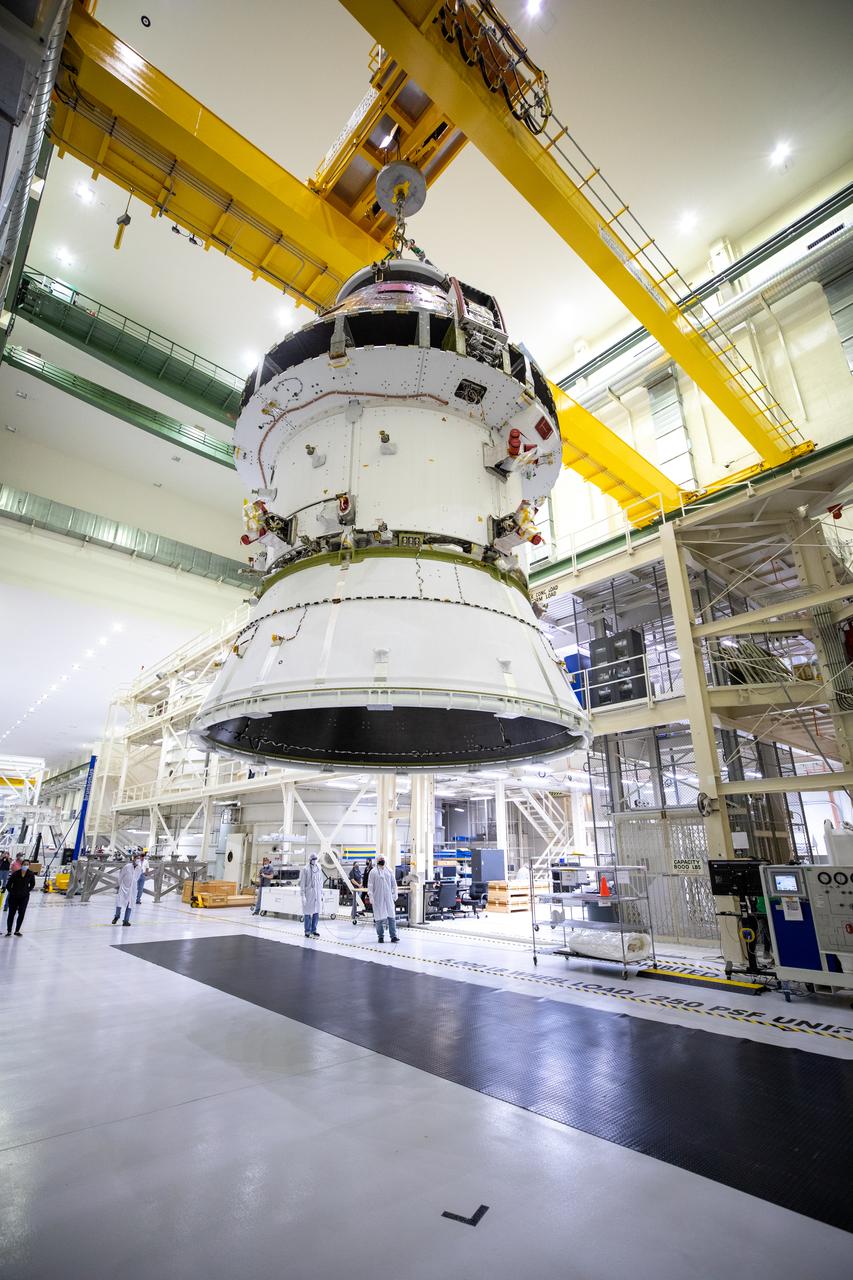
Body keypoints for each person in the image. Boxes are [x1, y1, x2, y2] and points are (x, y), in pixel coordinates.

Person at [367, 857, 399, 943]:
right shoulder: (373, 872)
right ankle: (380, 937)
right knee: (379, 917)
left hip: (388, 897)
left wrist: (395, 893)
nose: (382, 861)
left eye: (383, 859)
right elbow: (370, 885)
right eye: (380, 859)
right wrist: (371, 896)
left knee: (391, 915)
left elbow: (394, 883)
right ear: (377, 861)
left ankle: (393, 936)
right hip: (378, 898)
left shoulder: (389, 871)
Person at [5, 859, 35, 936]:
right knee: (11, 914)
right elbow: (8, 885)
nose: (25, 866)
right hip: (14, 897)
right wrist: (12, 892)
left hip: (24, 897)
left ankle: (17, 931)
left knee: (21, 913)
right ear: (21, 865)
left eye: (27, 864)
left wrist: (27, 891)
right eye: (24, 864)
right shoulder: (15, 873)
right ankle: (9, 931)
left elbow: (32, 884)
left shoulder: (31, 874)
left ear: (29, 865)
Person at [298, 853, 323, 939]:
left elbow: (321, 880)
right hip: (308, 893)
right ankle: (307, 931)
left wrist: (321, 892)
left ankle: (314, 930)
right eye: (313, 859)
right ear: (310, 860)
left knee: (316, 911)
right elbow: (302, 883)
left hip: (317, 893)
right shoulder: (305, 869)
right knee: (307, 912)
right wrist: (303, 896)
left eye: (316, 859)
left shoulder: (319, 867)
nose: (315, 860)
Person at [112, 854, 138, 927]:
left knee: (130, 904)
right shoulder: (127, 867)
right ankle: (116, 916)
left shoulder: (139, 868)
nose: (137, 861)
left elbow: (137, 878)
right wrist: (120, 885)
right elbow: (121, 876)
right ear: (133, 859)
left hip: (132, 889)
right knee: (119, 902)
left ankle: (126, 921)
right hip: (123, 887)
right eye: (136, 859)